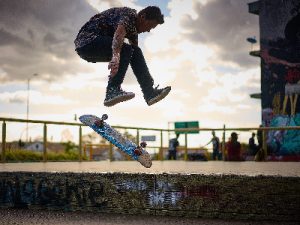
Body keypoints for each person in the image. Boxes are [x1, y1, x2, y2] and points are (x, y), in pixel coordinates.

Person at [74, 6, 171, 107]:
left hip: (92, 47)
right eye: (150, 25)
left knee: (135, 51)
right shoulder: (128, 15)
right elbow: (118, 35)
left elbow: (136, 57)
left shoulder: (133, 30)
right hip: (87, 41)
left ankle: (149, 93)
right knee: (125, 49)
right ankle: (112, 90)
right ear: (143, 17)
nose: (148, 30)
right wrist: (116, 57)